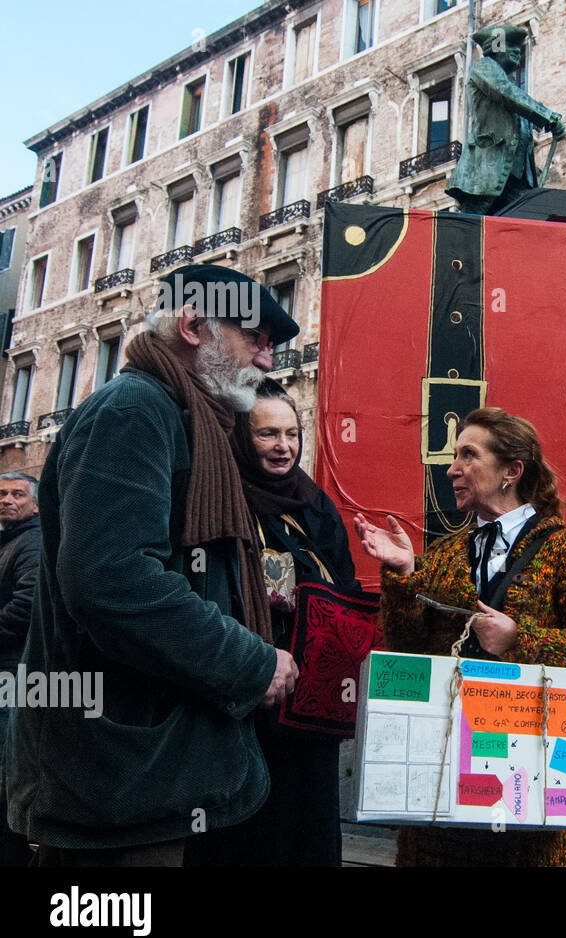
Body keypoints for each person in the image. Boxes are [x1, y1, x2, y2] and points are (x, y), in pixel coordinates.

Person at [4, 263, 300, 866]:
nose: (268, 362)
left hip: (150, 771)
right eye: (256, 339)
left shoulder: (188, 418)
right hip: (119, 776)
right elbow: (112, 580)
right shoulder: (133, 411)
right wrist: (251, 660)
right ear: (193, 324)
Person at [354, 407, 566, 866]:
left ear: (511, 471)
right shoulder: (444, 553)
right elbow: (405, 649)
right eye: (454, 455)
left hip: (530, 807)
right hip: (442, 798)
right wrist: (402, 575)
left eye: (468, 455)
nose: (452, 468)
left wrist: (519, 637)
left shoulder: (565, 551)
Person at [186, 380, 362, 866]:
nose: (284, 446)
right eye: (267, 434)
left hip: (309, 706)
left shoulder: (315, 503)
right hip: (244, 700)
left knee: (307, 831)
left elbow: (342, 586)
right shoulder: (214, 497)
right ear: (242, 437)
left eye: (292, 433)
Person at [446, 23, 566, 215]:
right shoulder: (484, 68)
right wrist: (547, 117)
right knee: (471, 223)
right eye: (510, 46)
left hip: (517, 175)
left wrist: (550, 122)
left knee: (527, 220)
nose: (517, 51)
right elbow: (505, 92)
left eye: (518, 47)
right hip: (488, 167)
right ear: (496, 47)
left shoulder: (514, 87)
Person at [0, 472, 40, 865]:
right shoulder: (11, 540)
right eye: (2, 493)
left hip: (14, 676)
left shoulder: (30, 540)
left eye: (17, 494)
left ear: (36, 504)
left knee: (7, 773)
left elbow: (26, 605)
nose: (8, 500)